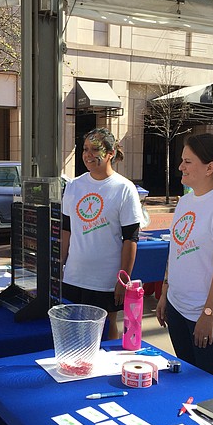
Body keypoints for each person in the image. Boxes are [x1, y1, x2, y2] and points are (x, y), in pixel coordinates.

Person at [155, 133, 213, 383]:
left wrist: (208, 315)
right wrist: (165, 292)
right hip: (178, 308)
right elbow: (175, 251)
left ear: (210, 168)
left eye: (188, 161)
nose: (180, 167)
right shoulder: (185, 202)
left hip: (207, 316)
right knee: (187, 381)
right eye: (182, 160)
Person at [61, 128, 144, 340]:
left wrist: (123, 279)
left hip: (105, 279)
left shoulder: (124, 188)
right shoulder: (74, 186)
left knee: (106, 329)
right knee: (74, 331)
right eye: (84, 149)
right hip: (74, 276)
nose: (88, 155)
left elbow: (130, 239)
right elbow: (66, 231)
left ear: (110, 153)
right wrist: (58, 266)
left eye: (94, 149)